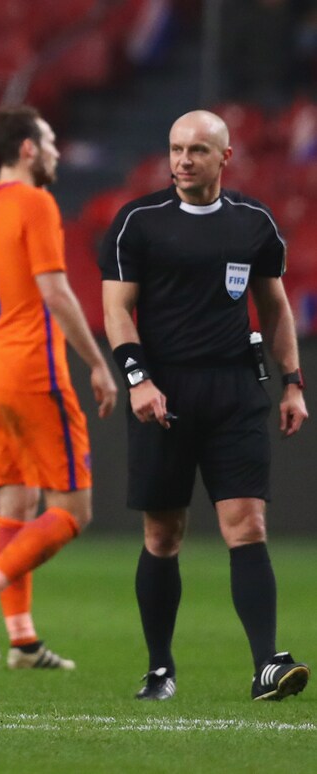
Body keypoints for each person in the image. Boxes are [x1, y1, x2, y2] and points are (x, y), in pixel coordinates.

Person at [100, 109, 309, 701]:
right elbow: (116, 311)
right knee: (164, 535)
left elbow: (274, 305)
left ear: (225, 157)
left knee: (248, 524)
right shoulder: (137, 222)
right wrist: (138, 380)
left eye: (196, 150)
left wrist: (293, 382)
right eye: (175, 149)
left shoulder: (253, 223)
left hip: (234, 391)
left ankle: (266, 664)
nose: (183, 160)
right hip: (164, 393)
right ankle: (160, 668)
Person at [0, 105, 118, 671]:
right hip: (32, 372)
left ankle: (22, 641)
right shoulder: (36, 203)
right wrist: (98, 362)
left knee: (16, 504)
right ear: (26, 148)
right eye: (50, 141)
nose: (57, 152)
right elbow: (55, 292)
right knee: (73, 510)